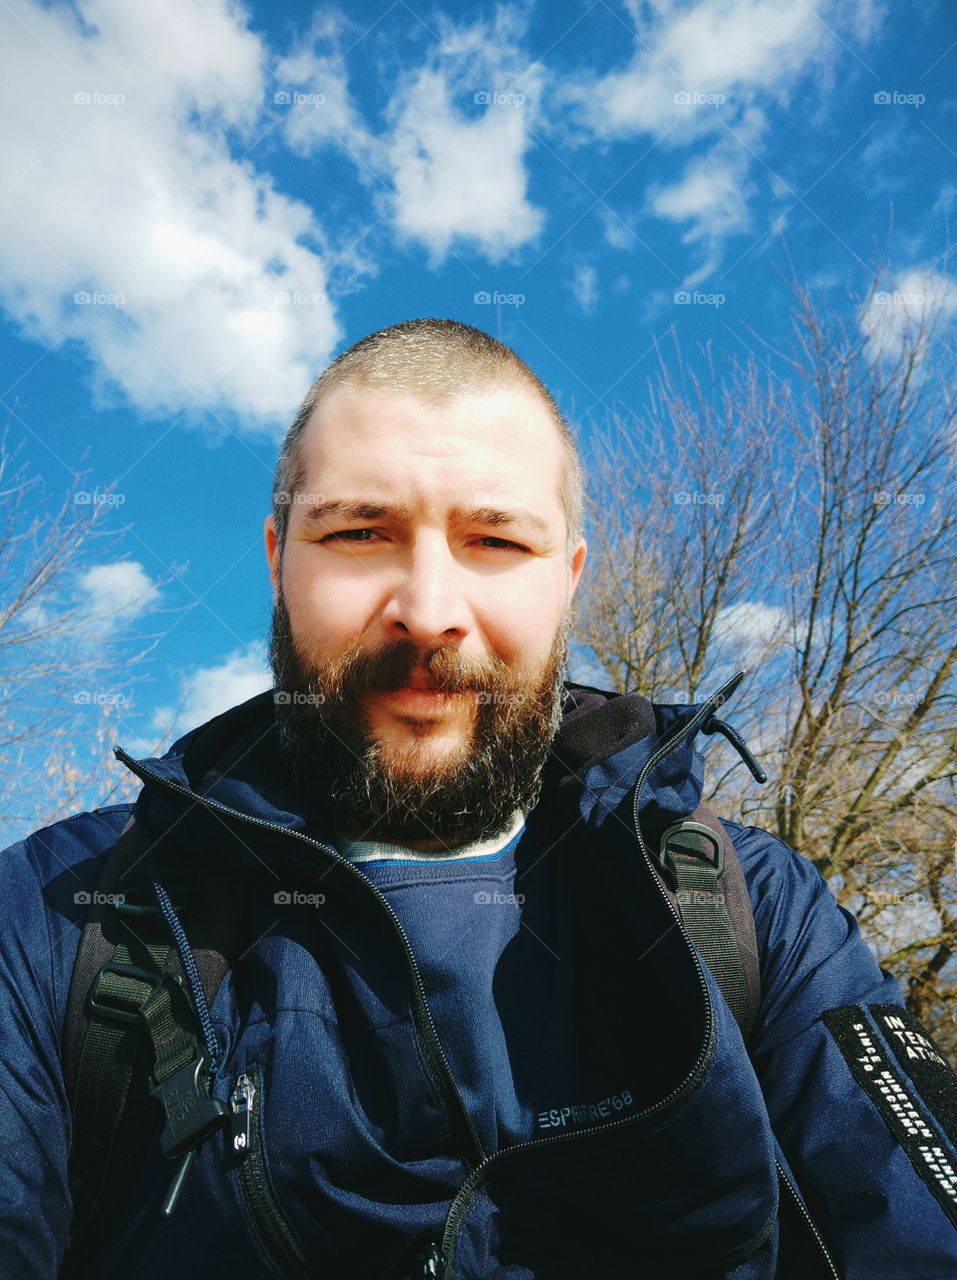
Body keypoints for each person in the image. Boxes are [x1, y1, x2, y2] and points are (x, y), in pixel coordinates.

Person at [1, 318, 955, 1280]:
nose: (428, 607)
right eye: (358, 532)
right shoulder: (63, 913)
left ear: (567, 580)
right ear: (278, 556)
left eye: (494, 539)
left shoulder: (754, 910)